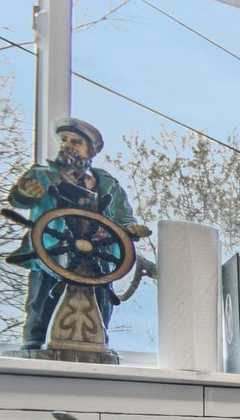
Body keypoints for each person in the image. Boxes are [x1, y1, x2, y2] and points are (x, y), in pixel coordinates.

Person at [4, 117, 149, 350]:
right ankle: (35, 340)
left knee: (100, 293)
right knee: (43, 294)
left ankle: (98, 338)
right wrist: (25, 192)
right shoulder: (41, 175)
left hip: (96, 253)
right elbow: (19, 198)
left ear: (90, 150)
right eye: (64, 140)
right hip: (52, 249)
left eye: (76, 141)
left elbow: (123, 216)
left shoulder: (107, 183)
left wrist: (132, 229)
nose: (67, 145)